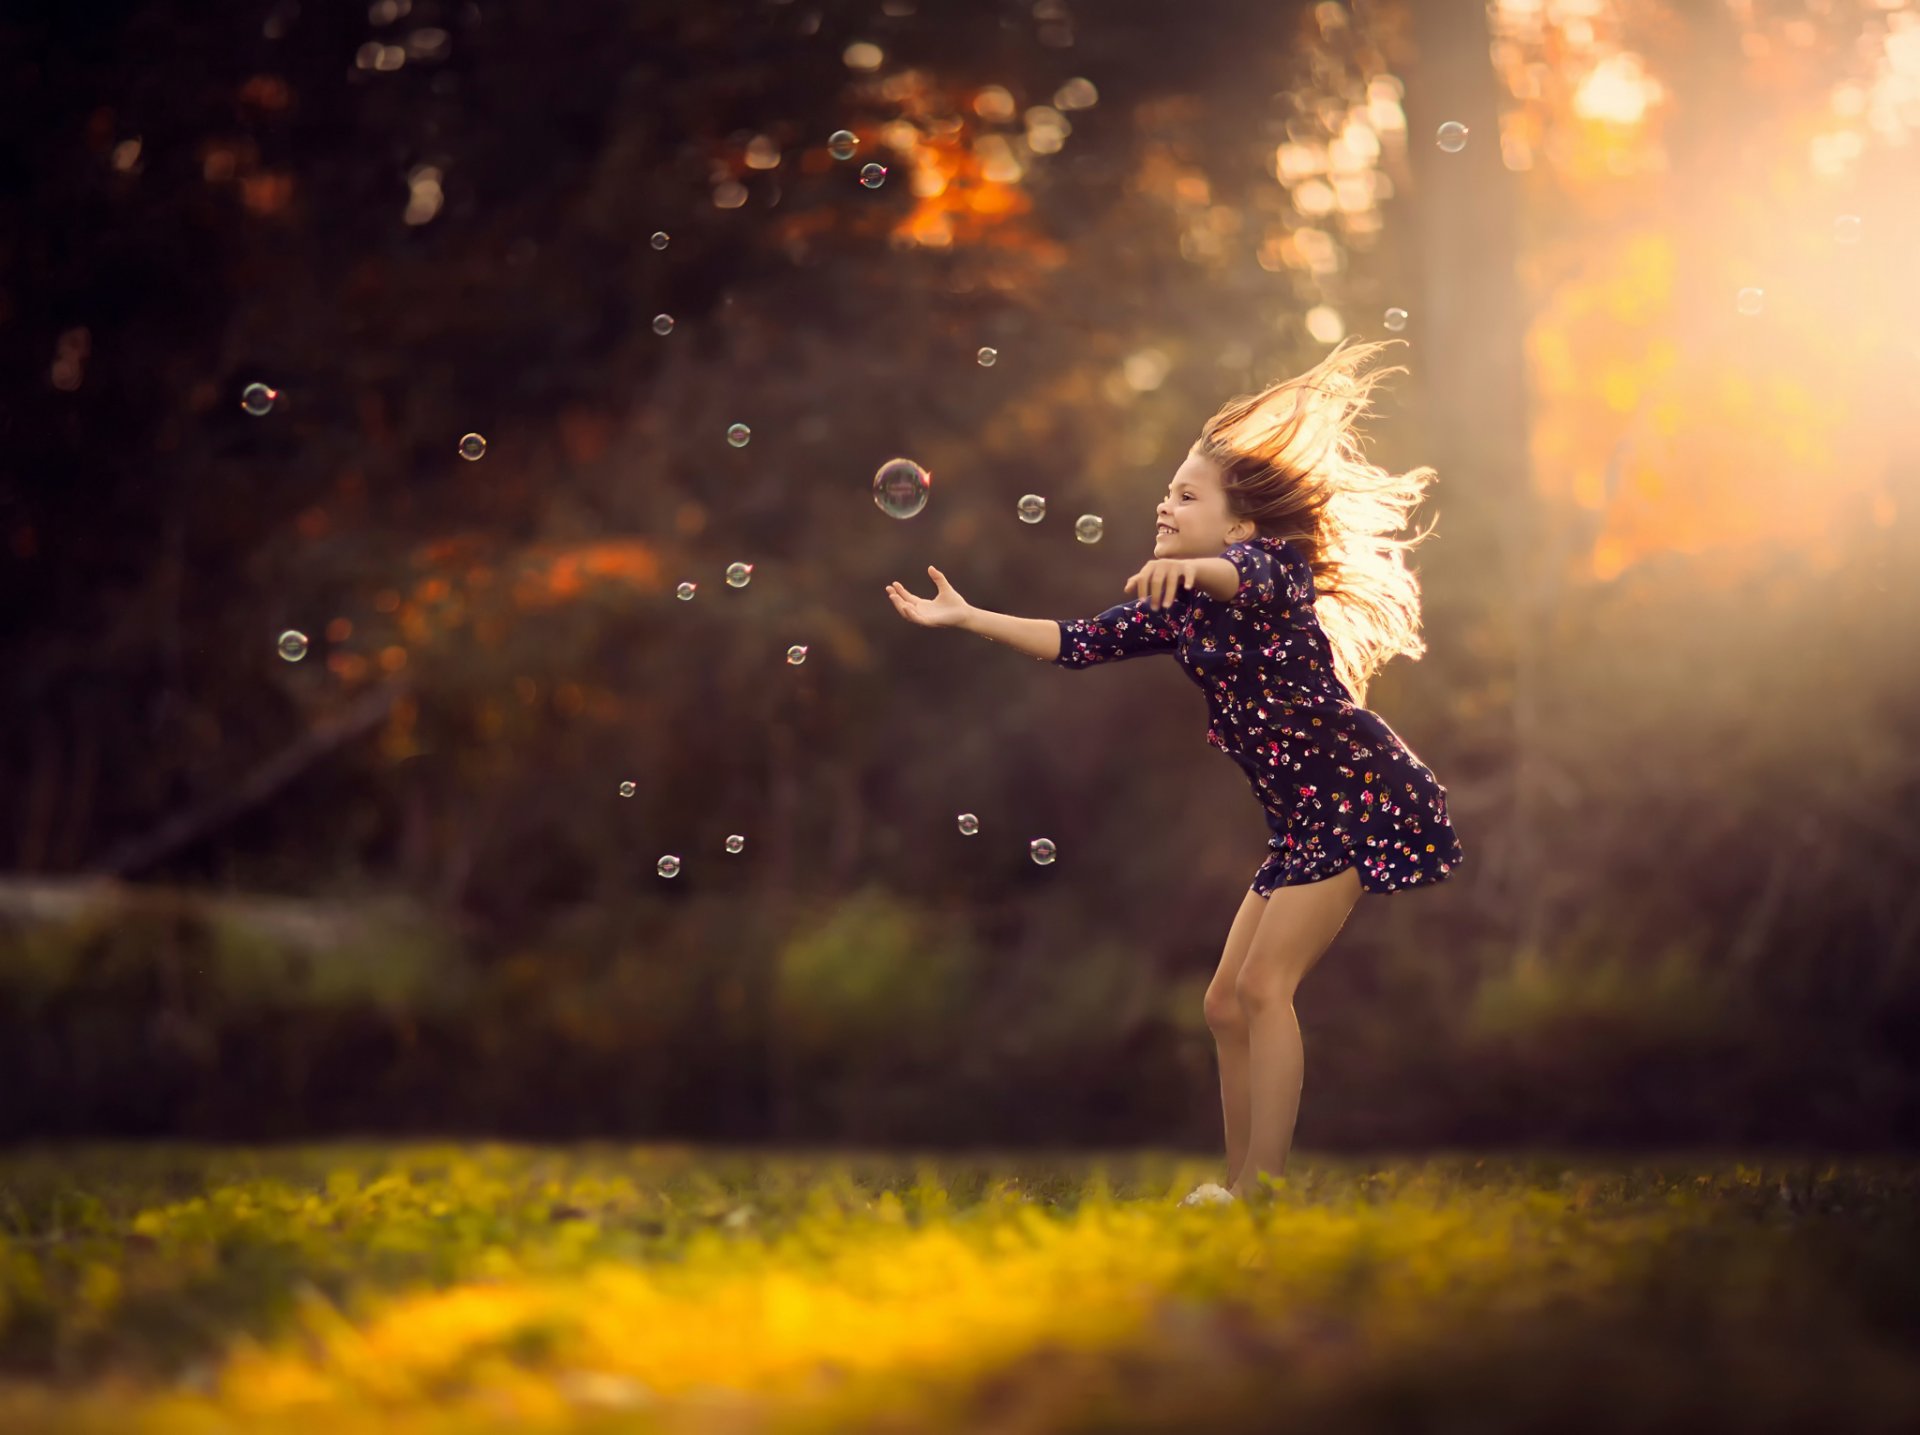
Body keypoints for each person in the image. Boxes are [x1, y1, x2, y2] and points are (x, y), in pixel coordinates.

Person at [884, 337, 1465, 1206]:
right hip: (1300, 822)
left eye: (1185, 494)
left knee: (1268, 986)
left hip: (1358, 797)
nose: (1164, 503)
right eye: (1165, 490)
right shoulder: (1179, 605)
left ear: (1237, 523)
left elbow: (1250, 574)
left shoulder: (1274, 571)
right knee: (1225, 1003)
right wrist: (966, 617)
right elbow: (1072, 643)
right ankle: (1235, 1186)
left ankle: (1261, 1193)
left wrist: (1193, 565)